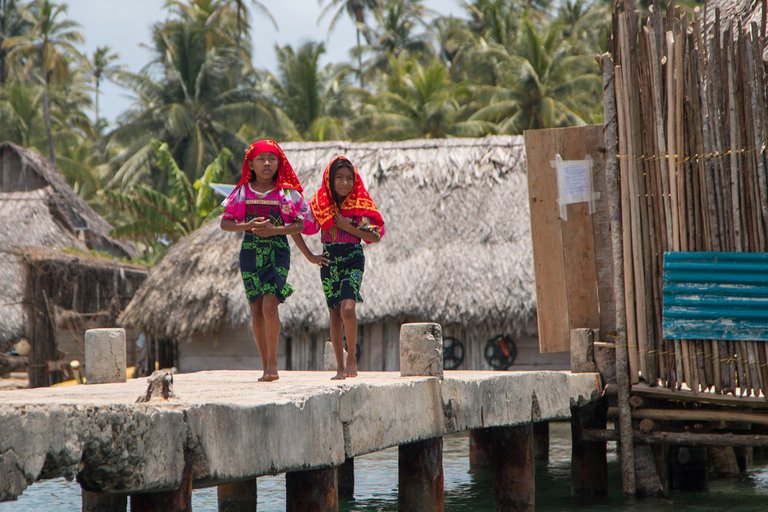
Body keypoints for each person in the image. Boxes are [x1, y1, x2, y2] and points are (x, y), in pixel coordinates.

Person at [220, 140, 308, 382]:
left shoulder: (286, 193)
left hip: (278, 251)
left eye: (272, 159)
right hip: (250, 251)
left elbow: (299, 224)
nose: (267, 163)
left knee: (270, 304)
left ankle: (273, 365)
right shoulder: (242, 192)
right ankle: (264, 364)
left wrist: (274, 231)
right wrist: (248, 226)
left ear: (279, 163)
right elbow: (225, 222)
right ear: (251, 164)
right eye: (261, 159)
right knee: (256, 307)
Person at [294, 156, 385, 379]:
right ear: (330, 179)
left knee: (348, 309)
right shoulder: (320, 205)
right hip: (329, 260)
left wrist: (346, 226)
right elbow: (295, 225)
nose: (344, 183)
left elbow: (374, 236)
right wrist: (310, 256)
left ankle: (352, 355)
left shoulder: (358, 205)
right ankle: (340, 367)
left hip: (353, 257)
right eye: (339, 178)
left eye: (349, 178)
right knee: (334, 315)